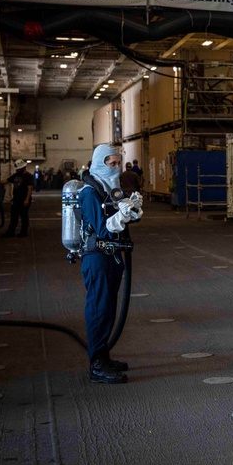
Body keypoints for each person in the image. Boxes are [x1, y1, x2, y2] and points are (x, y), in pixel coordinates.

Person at [78, 144, 143, 384]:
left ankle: (103, 357)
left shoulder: (107, 189)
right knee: (99, 311)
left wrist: (131, 211)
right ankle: (97, 365)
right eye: (111, 164)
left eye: (118, 163)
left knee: (107, 310)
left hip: (111, 257)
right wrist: (122, 216)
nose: (115, 168)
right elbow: (104, 229)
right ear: (98, 163)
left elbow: (116, 221)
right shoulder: (89, 193)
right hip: (97, 259)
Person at [2, 159, 34, 237]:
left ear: (23, 168)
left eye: (19, 168)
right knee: (14, 216)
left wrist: (27, 199)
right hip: (16, 199)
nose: (17, 170)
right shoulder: (16, 175)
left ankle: (23, 232)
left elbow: (30, 188)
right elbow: (6, 180)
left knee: (23, 216)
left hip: (24, 199)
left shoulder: (28, 176)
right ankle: (11, 232)